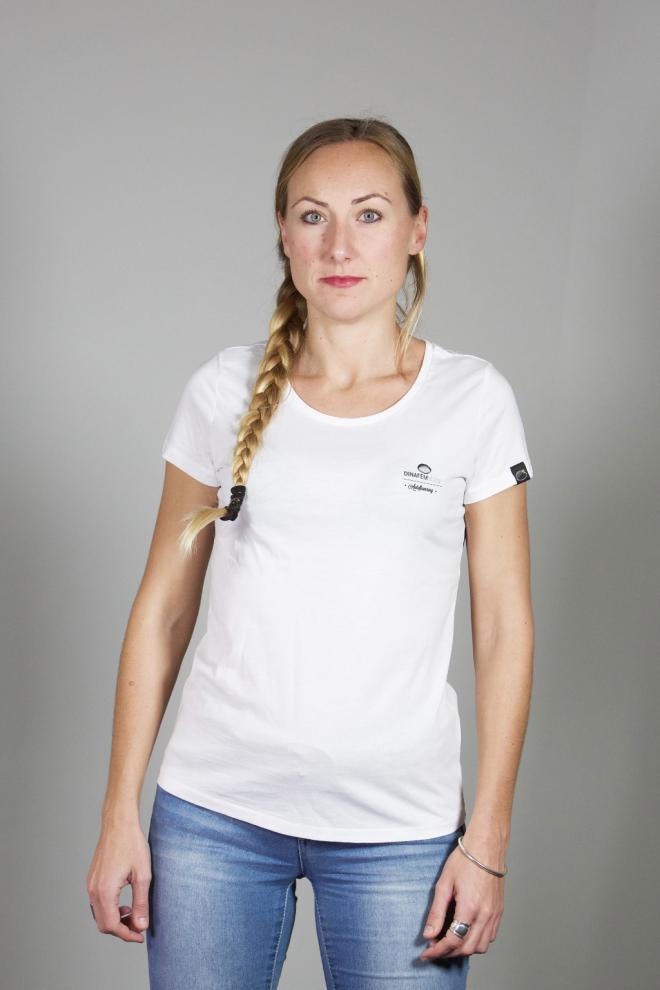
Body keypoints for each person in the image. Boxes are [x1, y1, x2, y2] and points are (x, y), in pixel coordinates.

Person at [86, 116, 535, 990]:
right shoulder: (222, 390)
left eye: (369, 214)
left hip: (399, 830)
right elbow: (163, 610)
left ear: (417, 229)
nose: (339, 245)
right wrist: (117, 813)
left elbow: (503, 629)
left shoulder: (473, 400)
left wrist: (487, 841)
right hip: (213, 817)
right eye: (312, 215)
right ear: (283, 234)